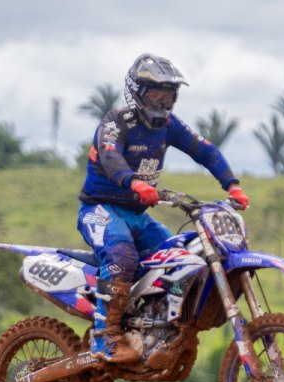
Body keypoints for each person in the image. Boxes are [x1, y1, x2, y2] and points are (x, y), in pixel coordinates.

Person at [77, 52, 249, 363]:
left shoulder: (170, 126)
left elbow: (205, 151)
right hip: (99, 209)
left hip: (137, 216)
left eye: (168, 96)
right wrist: (134, 183)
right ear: (137, 92)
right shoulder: (116, 123)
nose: (162, 102)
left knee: (179, 260)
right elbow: (110, 156)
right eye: (156, 94)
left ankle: (156, 328)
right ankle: (104, 337)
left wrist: (232, 184)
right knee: (121, 254)